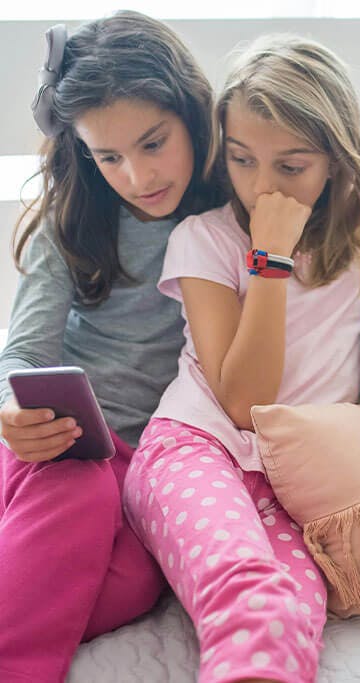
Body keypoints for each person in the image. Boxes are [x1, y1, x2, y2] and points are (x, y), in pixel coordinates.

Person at [122, 35, 360, 683]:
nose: (262, 188)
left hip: (293, 475)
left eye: (291, 166)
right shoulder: (207, 240)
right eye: (243, 160)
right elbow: (243, 403)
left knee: (296, 609)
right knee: (251, 591)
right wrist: (268, 258)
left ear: (336, 161)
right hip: (197, 448)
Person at [0, 11, 227, 682]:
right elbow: (21, 353)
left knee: (131, 580)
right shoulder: (74, 220)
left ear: (192, 114)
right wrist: (11, 414)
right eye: (109, 157)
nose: (136, 174)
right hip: (61, 452)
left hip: (150, 471)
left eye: (154, 143)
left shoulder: (227, 216)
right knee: (81, 489)